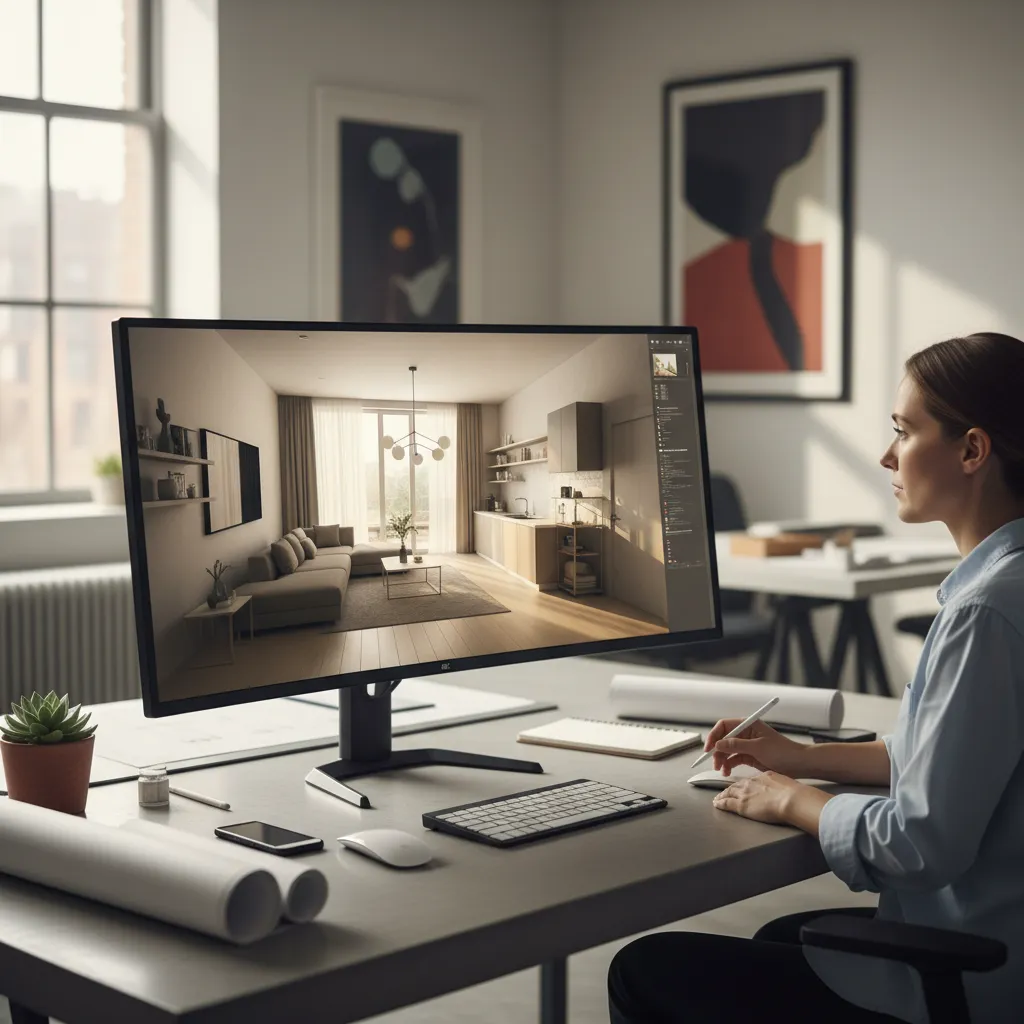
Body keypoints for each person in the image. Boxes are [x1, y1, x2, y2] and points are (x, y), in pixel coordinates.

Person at [608, 332, 1024, 1023]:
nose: (887, 456)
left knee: (643, 968)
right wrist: (800, 757)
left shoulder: (985, 614)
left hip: (978, 975)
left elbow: (919, 843)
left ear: (972, 450)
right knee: (783, 935)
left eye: (904, 431)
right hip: (1001, 940)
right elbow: (947, 757)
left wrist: (792, 799)